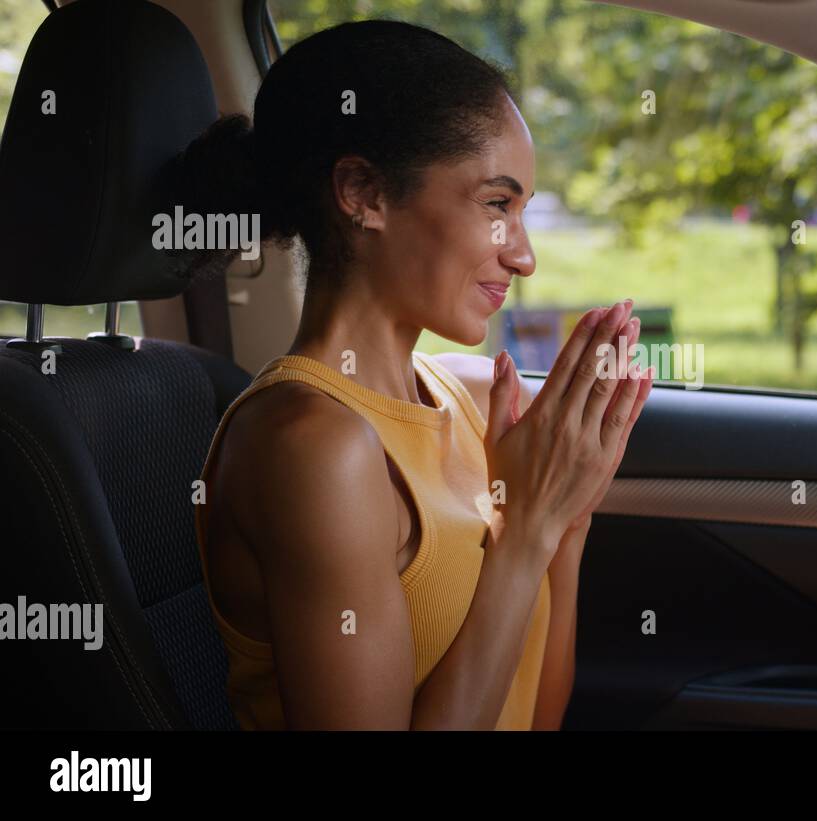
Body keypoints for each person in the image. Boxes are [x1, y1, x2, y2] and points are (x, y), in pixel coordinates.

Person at [180, 19, 653, 729]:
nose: (524, 256)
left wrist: (565, 518)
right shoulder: (313, 445)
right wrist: (524, 531)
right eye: (497, 204)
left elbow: (532, 714)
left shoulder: (459, 397)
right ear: (363, 193)